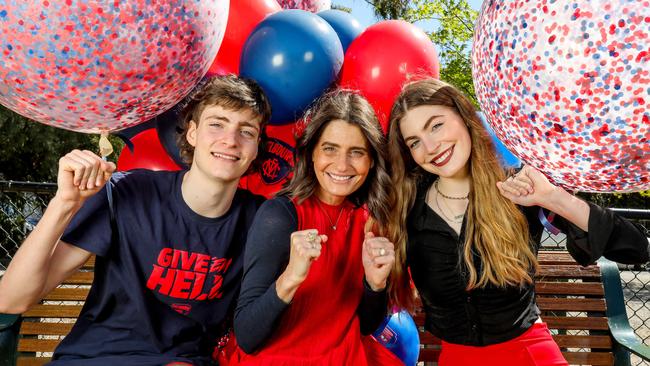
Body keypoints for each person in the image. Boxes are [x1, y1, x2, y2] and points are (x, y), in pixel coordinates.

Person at [0, 75, 272, 365]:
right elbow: (11, 300)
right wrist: (64, 203)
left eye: (246, 131)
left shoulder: (262, 221)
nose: (230, 141)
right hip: (94, 358)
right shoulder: (127, 193)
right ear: (192, 133)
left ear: (256, 147)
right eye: (216, 124)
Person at [386, 78, 650, 366]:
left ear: (464, 117)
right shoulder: (406, 210)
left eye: (436, 125)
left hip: (530, 353)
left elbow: (636, 248)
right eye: (414, 142)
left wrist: (552, 197)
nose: (431, 146)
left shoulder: (519, 187)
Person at [231, 90, 403, 365]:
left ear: (371, 161)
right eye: (330, 149)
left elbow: (365, 327)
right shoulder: (280, 216)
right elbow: (247, 337)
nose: (342, 165)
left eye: (356, 152)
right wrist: (290, 278)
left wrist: (376, 284)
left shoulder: (371, 222)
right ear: (312, 153)